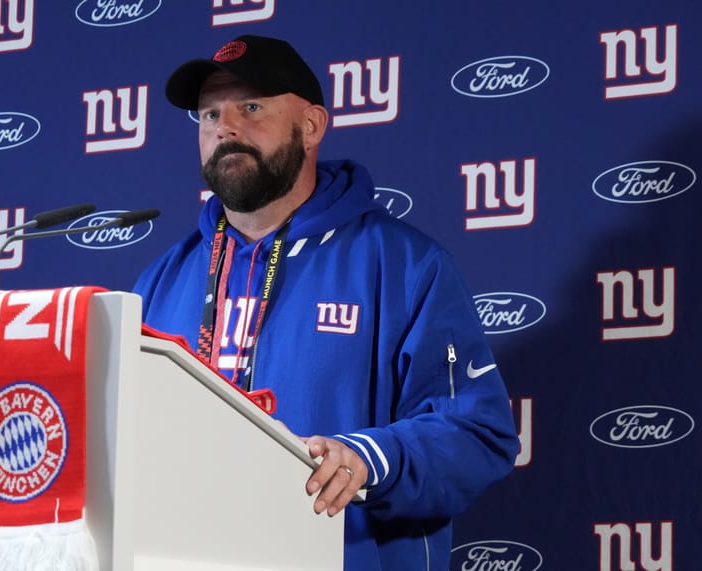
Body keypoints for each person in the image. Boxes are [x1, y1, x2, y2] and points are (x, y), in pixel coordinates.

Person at [133, 34, 519, 571]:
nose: (225, 127)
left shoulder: (406, 266)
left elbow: (481, 435)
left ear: (311, 126)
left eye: (251, 107)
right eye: (209, 114)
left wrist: (370, 458)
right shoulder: (157, 284)